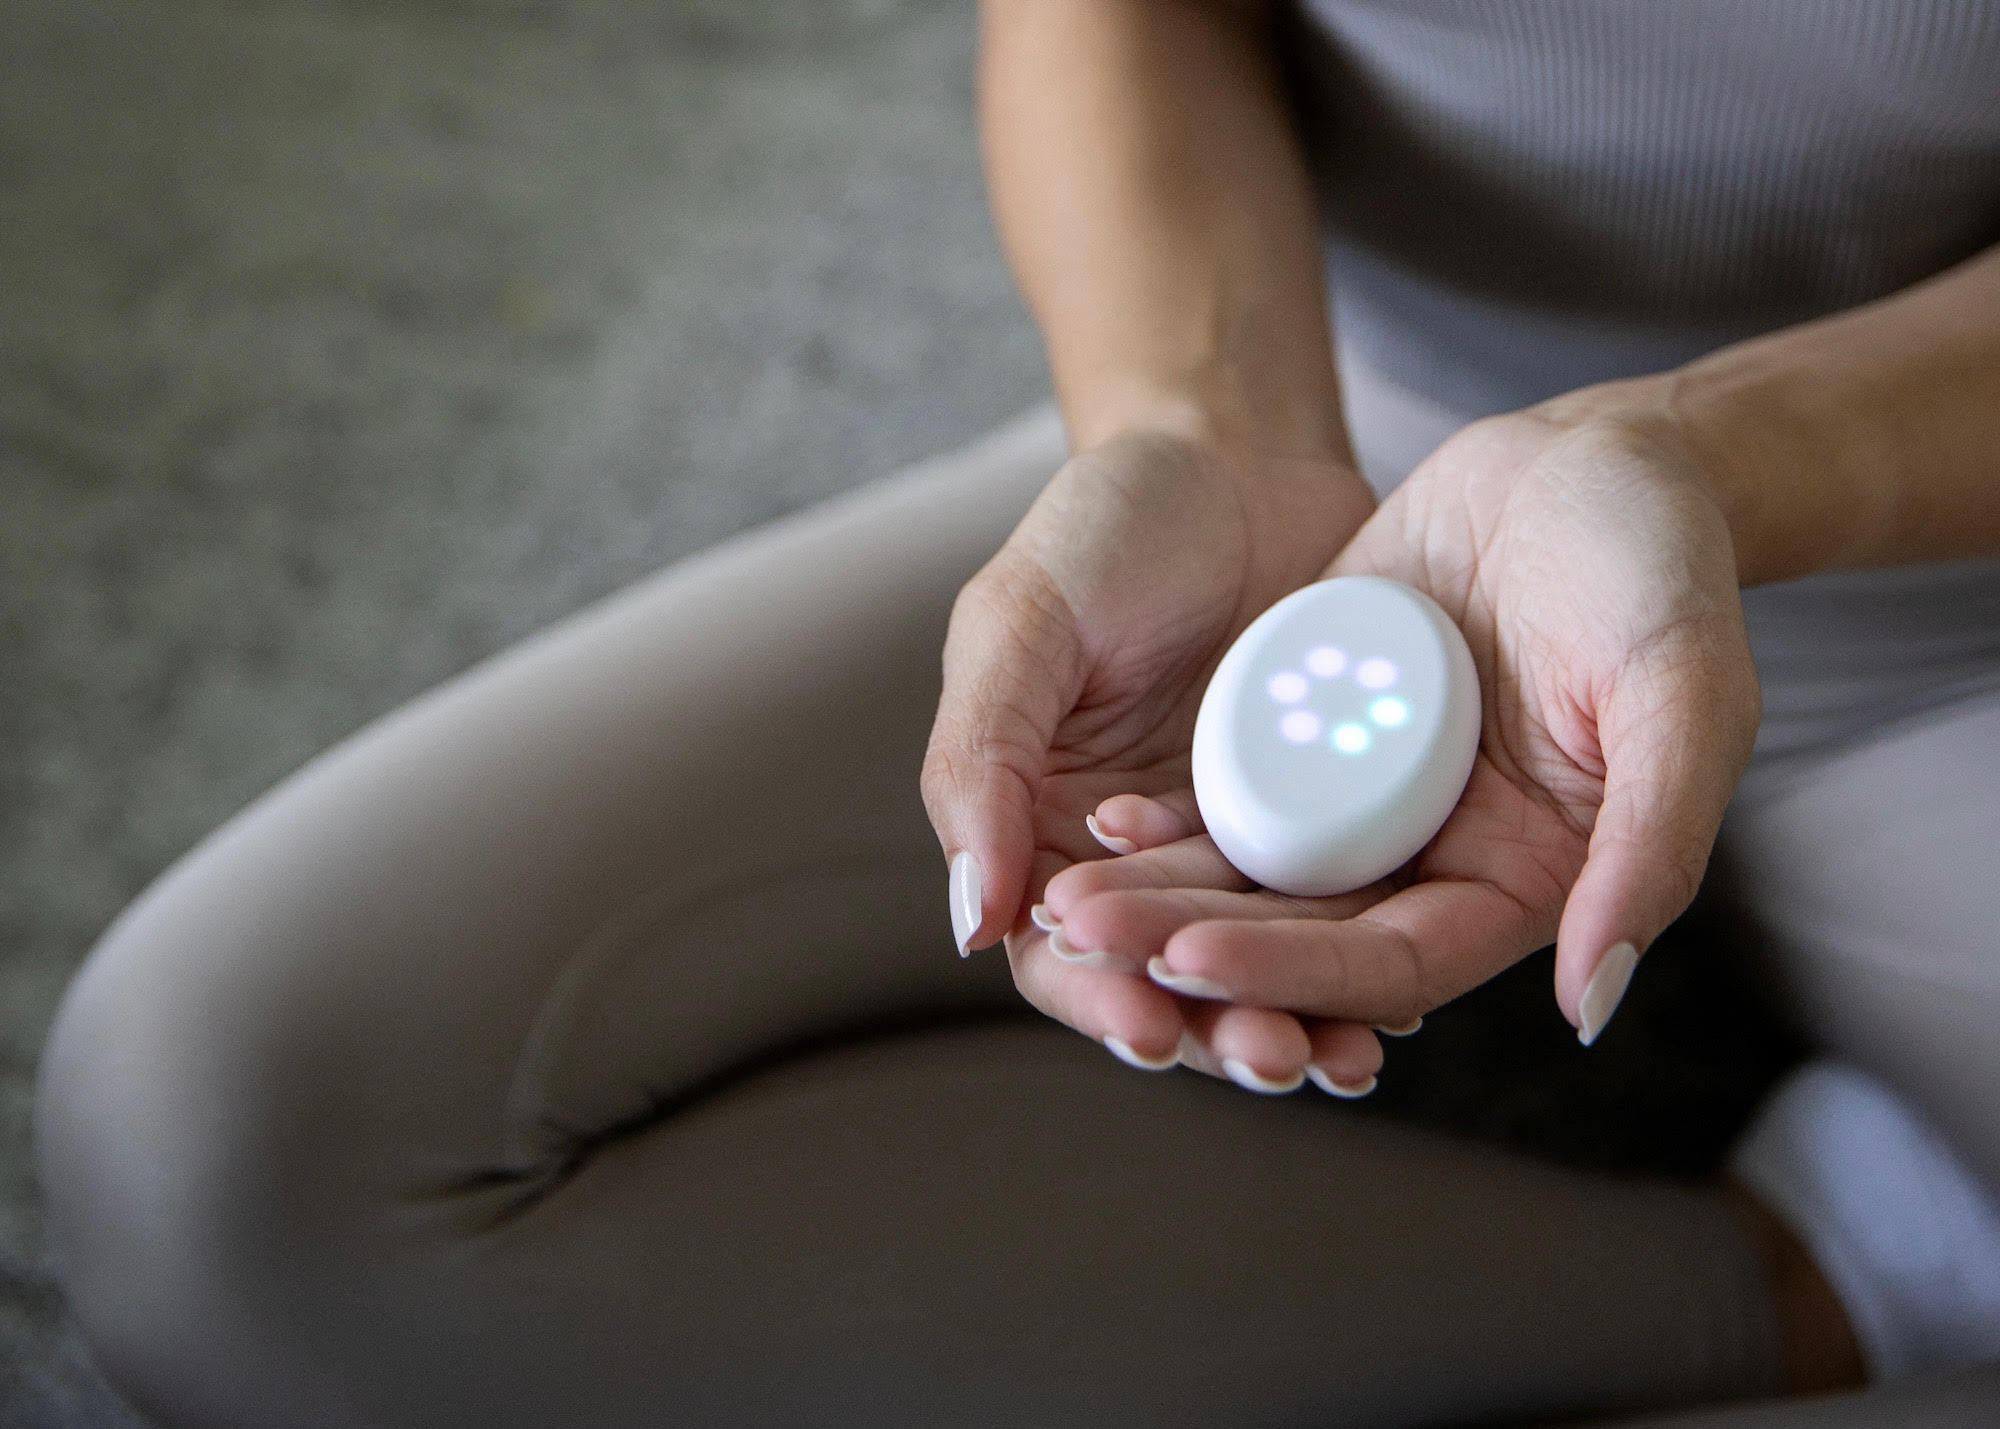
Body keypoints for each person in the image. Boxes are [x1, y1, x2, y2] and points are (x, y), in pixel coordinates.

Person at [33, 1, 2000, 1425]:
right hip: (1326, 468)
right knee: (218, 1146)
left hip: (1947, 568)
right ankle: (1810, 1288)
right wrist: (1194, 424)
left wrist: (1699, 457)